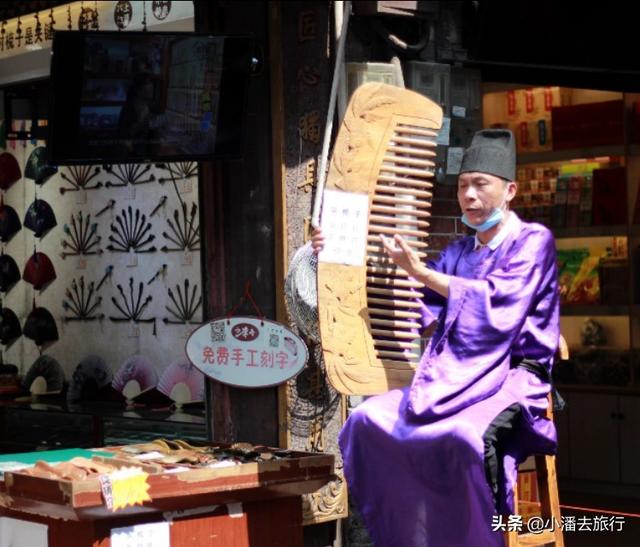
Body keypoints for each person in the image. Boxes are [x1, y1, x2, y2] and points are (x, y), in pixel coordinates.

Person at [311, 129, 560, 546]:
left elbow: (499, 304)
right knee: (366, 421)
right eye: (464, 185)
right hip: (451, 378)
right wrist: (333, 249)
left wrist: (424, 273)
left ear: (510, 190)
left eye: (481, 184)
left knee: (466, 440)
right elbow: (413, 303)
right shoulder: (459, 253)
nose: (470, 195)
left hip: (513, 379)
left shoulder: (534, 242)